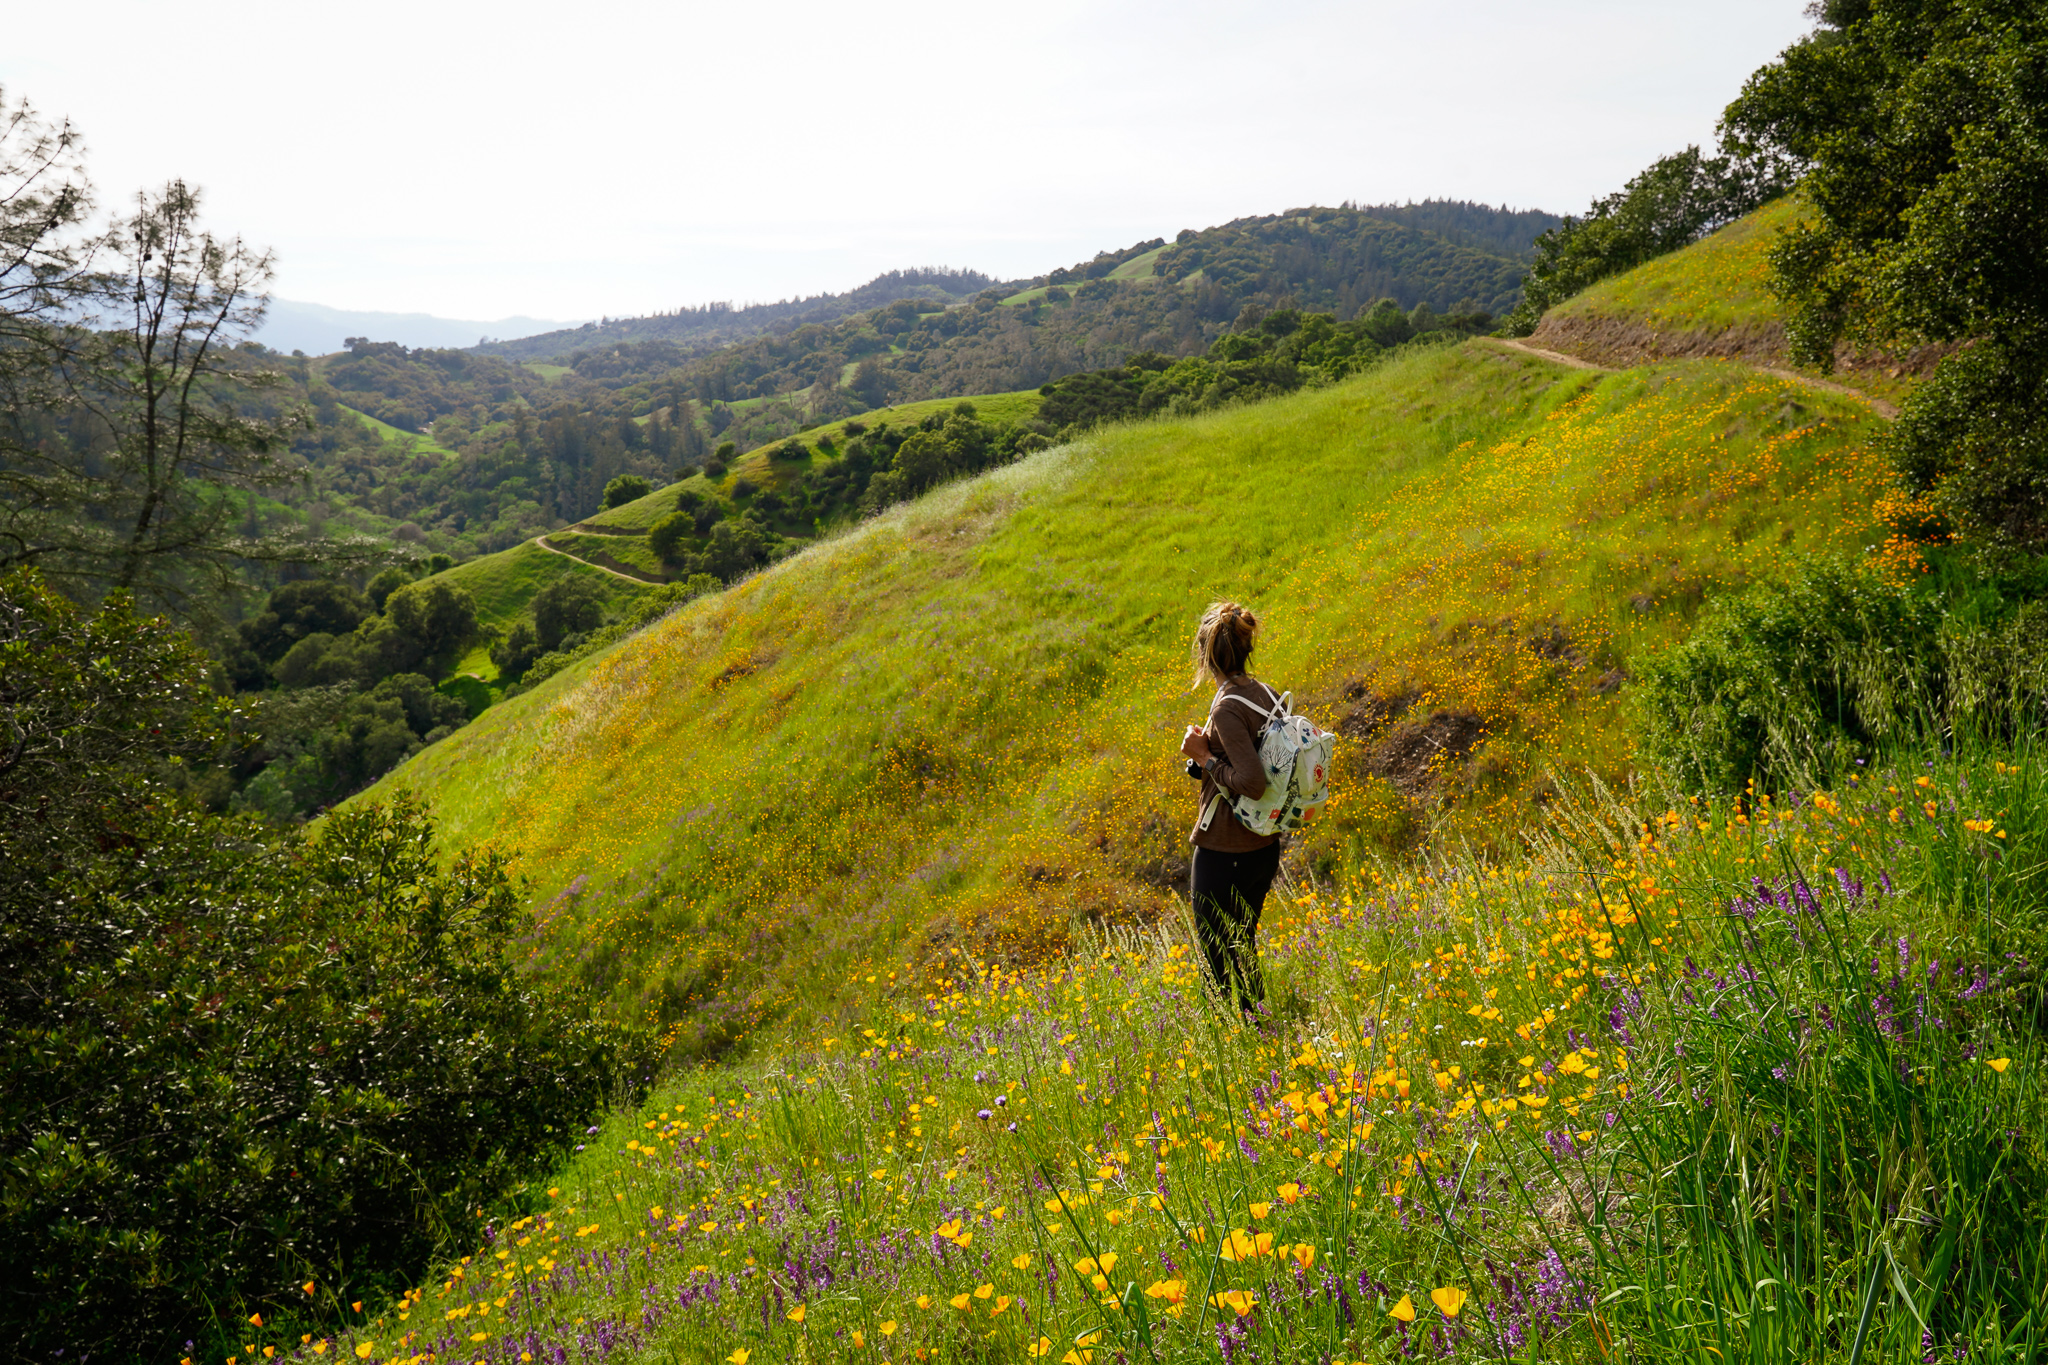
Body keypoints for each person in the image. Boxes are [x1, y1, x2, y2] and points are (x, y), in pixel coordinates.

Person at [1176, 601, 1281, 1018]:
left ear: (1207, 654)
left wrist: (1204, 757)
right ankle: (1259, 1030)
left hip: (1226, 849)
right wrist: (1211, 753)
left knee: (1216, 953)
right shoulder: (1265, 694)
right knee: (1241, 942)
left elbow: (1253, 782)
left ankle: (1230, 1040)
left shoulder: (1226, 705)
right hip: (1263, 844)